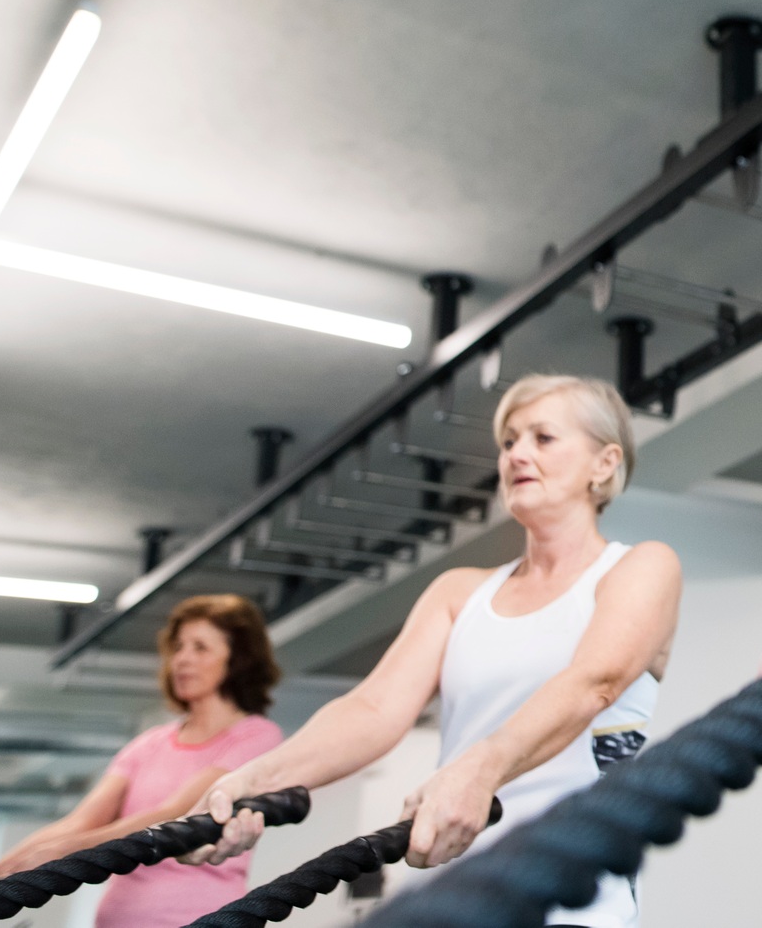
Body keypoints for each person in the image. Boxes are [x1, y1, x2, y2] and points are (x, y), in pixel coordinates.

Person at [190, 373, 680, 928]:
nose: (517, 453)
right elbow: (374, 710)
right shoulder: (459, 592)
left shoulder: (639, 567)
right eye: (509, 441)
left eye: (542, 438)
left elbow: (596, 681)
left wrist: (481, 769)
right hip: (450, 888)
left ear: (604, 462)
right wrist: (256, 779)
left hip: (573, 900)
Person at [0, 594, 285, 928]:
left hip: (202, 918)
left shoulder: (256, 736)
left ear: (237, 659)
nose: (181, 659)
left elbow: (174, 814)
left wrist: (65, 851)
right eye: (179, 647)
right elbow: (79, 822)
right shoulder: (149, 744)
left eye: (200, 647)